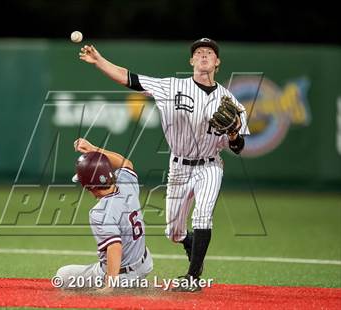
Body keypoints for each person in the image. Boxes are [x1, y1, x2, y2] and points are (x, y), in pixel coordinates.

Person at [78, 38, 249, 292]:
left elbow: (239, 148)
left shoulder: (231, 103)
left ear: (217, 62)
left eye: (209, 52)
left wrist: (234, 134)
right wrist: (99, 62)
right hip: (179, 166)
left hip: (210, 166)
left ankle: (193, 277)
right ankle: (187, 240)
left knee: (203, 215)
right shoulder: (171, 87)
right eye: (199, 52)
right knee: (173, 232)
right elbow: (130, 79)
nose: (203, 55)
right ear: (191, 60)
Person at [54, 138, 153, 293]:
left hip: (122, 276)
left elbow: (114, 247)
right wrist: (94, 149)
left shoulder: (99, 212)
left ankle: (120, 286)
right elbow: (126, 163)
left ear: (89, 186)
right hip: (144, 263)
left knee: (62, 276)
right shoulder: (126, 183)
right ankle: (131, 281)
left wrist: (109, 286)